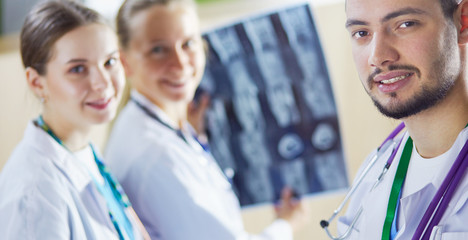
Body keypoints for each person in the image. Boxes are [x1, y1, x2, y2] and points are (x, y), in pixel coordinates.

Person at [104, 0, 305, 239]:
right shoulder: (155, 156)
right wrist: (286, 225)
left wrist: (192, 137)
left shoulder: (157, 125)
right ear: (125, 62)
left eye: (188, 43)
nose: (180, 63)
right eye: (158, 50)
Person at [0, 1, 150, 239]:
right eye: (78, 69)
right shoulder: (35, 194)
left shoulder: (81, 151)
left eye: (110, 62)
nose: (103, 82)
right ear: (37, 83)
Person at [334, 0, 468, 239]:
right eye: (361, 33)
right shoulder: (375, 171)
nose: (378, 56)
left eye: (405, 24)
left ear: (463, 22)